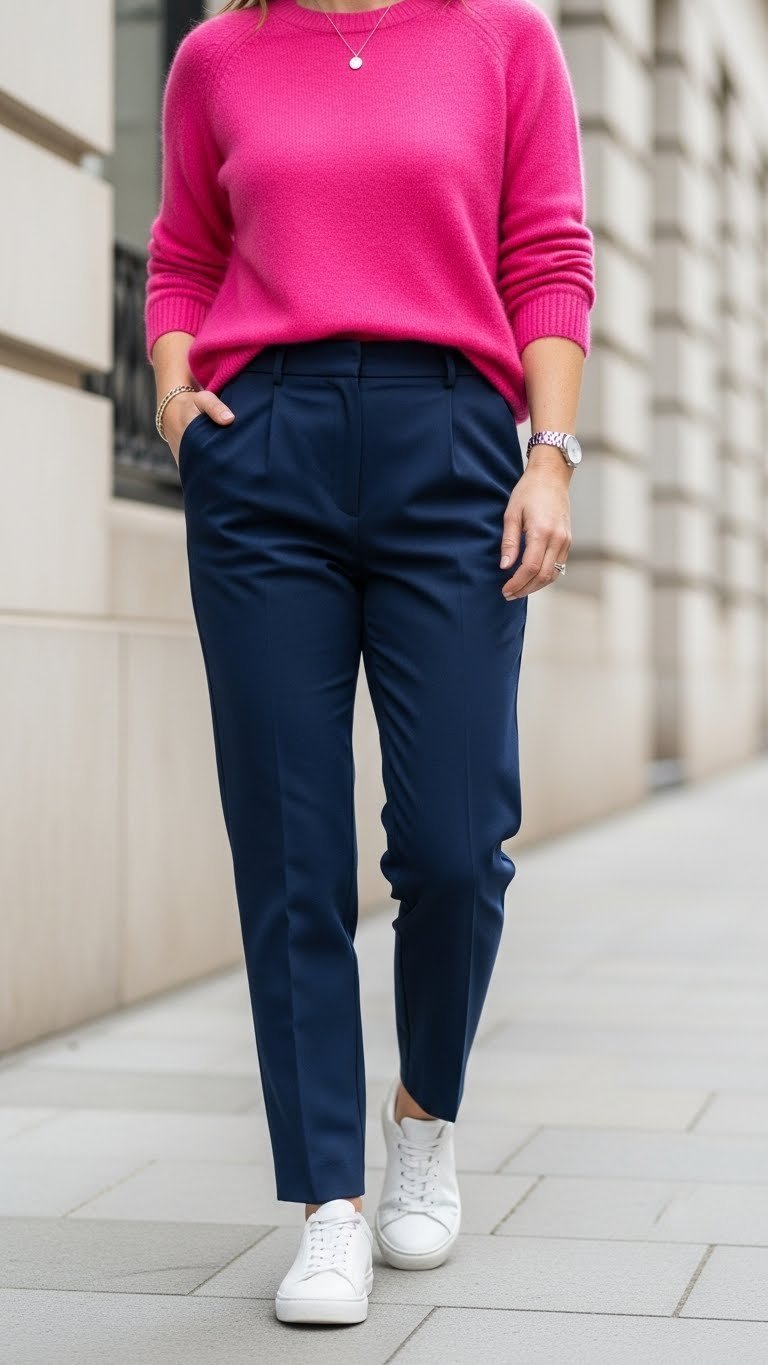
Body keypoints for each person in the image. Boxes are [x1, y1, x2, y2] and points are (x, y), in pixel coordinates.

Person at [145, 0, 595, 1327]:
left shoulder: (503, 38)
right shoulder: (216, 56)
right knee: (287, 843)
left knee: (457, 840)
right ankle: (327, 1200)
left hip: (449, 441)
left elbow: (550, 255)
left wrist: (550, 455)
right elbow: (180, 255)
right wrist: (180, 400)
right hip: (262, 449)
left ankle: (423, 1114)